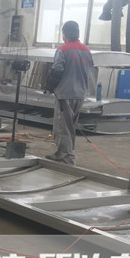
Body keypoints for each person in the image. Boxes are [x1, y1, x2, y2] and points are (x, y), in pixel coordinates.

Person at [45, 20, 94, 165]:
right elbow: (90, 69)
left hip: (65, 93)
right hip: (80, 94)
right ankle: (63, 153)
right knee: (71, 126)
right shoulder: (86, 50)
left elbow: (57, 70)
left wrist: (50, 86)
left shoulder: (63, 49)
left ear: (64, 34)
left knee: (63, 127)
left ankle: (66, 158)